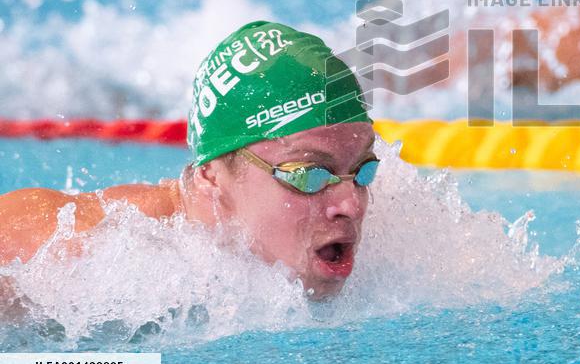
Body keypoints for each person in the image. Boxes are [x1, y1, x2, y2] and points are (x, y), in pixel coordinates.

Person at [0, 21, 377, 300]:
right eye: (310, 175)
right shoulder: (88, 249)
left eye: (363, 170)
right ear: (211, 175)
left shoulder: (401, 236)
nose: (351, 204)